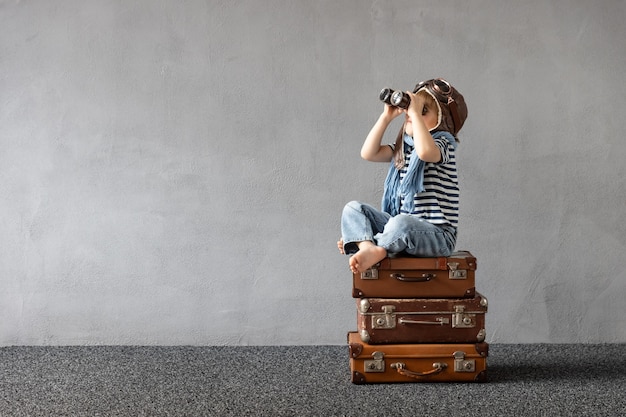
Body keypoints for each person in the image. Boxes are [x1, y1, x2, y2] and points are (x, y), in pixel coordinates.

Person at [337, 78, 468, 274]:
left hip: (438, 235)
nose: (411, 114)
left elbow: (425, 152)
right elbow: (368, 153)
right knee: (353, 209)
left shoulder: (443, 144)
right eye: (411, 110)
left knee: (401, 223)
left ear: (443, 120)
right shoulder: (404, 150)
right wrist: (386, 117)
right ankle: (369, 248)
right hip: (403, 229)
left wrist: (413, 112)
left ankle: (367, 243)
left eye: (423, 111)